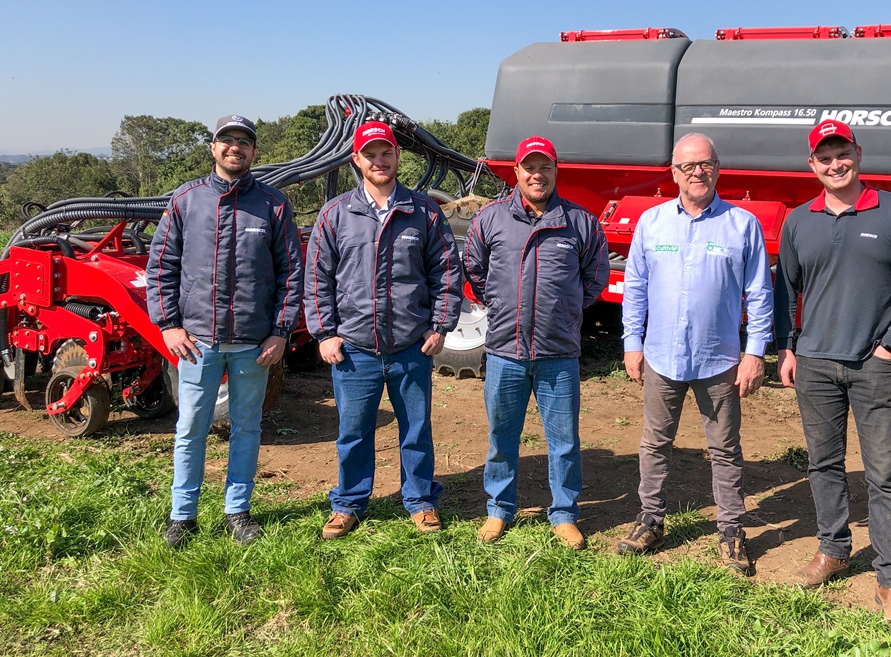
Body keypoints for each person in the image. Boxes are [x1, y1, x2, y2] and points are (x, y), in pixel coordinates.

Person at [773, 119, 891, 631]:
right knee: (823, 465)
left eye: (842, 153)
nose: (834, 163)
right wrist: (788, 348)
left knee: (885, 474)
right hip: (815, 364)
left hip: (873, 366)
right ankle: (834, 551)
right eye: (824, 157)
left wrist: (890, 344)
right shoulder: (800, 220)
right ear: (812, 166)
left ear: (857, 154)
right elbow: (786, 290)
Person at [616, 133, 773, 574]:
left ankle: (731, 532)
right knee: (654, 442)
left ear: (718, 167)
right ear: (674, 173)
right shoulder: (652, 222)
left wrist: (754, 353)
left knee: (724, 449)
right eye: (687, 166)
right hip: (661, 356)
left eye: (704, 164)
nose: (696, 173)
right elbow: (635, 289)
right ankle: (650, 520)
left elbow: (760, 295)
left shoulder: (743, 225)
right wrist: (632, 342)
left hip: (719, 359)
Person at [147, 114, 304, 549]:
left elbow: (292, 272)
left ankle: (238, 511)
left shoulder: (272, 204)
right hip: (198, 340)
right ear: (213, 148)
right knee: (191, 426)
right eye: (227, 140)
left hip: (254, 344)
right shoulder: (186, 201)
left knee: (246, 427)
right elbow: (161, 265)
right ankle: (183, 516)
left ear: (254, 152)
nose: (236, 148)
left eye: (244, 142)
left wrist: (280, 332)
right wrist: (169, 324)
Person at [305, 121, 463, 539]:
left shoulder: (423, 210)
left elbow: (447, 270)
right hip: (354, 347)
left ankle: (421, 501)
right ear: (357, 160)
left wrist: (440, 326)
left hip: (411, 345)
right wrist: (325, 333)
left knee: (415, 429)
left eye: (386, 152)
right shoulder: (336, 213)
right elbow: (317, 277)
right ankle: (349, 503)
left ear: (397, 157)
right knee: (354, 431)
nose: (380, 160)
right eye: (370, 154)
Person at [464, 136, 609, 549]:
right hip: (504, 352)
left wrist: (565, 310)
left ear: (556, 170)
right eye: (529, 166)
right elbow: (475, 272)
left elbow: (596, 276)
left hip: (557, 354)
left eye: (544, 166)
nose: (536, 174)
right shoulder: (490, 219)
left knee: (563, 441)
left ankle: (563, 513)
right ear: (516, 172)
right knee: (501, 437)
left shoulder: (579, 222)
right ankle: (498, 509)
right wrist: (500, 302)